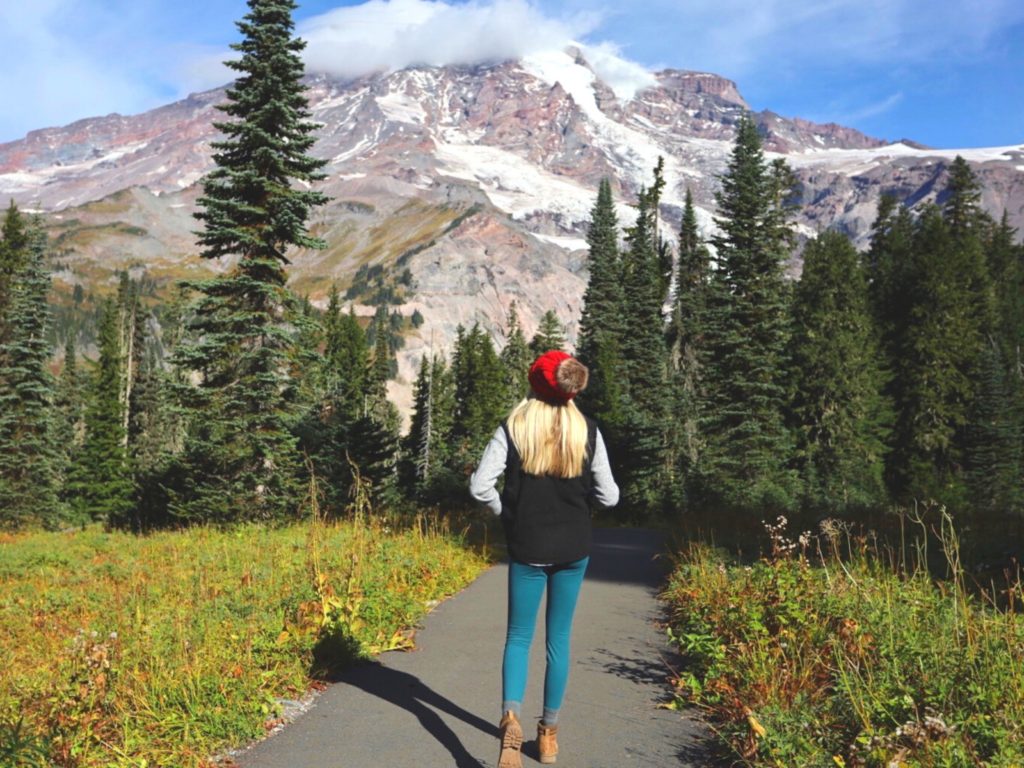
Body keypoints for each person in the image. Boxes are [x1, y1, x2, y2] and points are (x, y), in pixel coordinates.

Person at [470, 349, 619, 768]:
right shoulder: (587, 430)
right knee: (558, 640)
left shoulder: (514, 428)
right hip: (573, 549)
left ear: (535, 385)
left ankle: (510, 721)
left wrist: (508, 514)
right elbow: (610, 495)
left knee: (518, 637)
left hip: (527, 547)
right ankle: (548, 735)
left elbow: (481, 486)